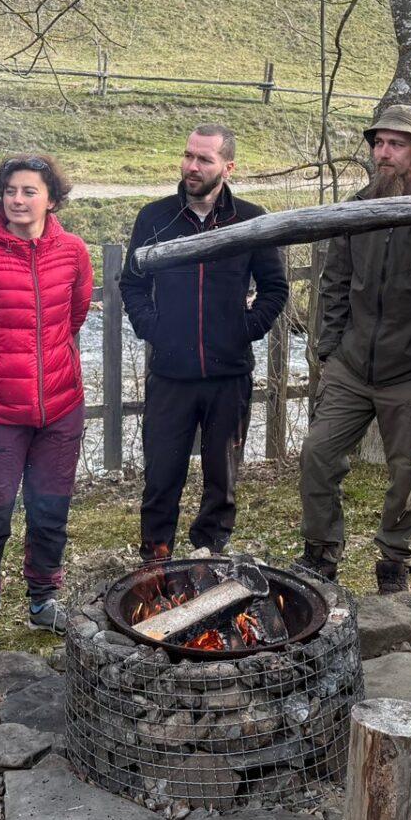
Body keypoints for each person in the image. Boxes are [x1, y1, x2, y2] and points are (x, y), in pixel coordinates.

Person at [296, 106, 411, 594]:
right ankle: (320, 555)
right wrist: (330, 350)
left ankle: (394, 564)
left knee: (406, 475)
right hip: (352, 365)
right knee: (318, 454)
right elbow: (335, 282)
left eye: (395, 144)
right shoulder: (358, 208)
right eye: (378, 143)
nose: (383, 153)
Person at [0, 154, 94, 654]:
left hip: (60, 409)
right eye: (10, 190)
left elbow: (74, 316)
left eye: (29, 191)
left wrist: (44, 364)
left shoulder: (72, 252)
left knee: (50, 511)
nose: (18, 200)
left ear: (52, 199)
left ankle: (44, 600)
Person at [119, 125, 289, 562]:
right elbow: (132, 284)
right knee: (161, 475)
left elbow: (275, 288)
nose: (192, 166)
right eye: (188, 156)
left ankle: (208, 556)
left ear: (228, 167)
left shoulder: (251, 220)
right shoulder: (155, 217)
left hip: (228, 375)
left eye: (204, 159)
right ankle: (156, 560)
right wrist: (153, 328)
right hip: (170, 374)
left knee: (222, 480)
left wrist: (244, 329)